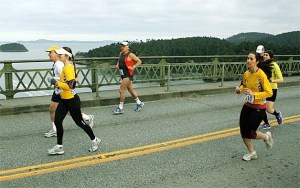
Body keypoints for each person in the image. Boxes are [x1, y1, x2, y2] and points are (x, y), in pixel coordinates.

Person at [47, 47, 101, 154]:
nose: (58, 55)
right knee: (58, 121)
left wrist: (55, 82)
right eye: (58, 54)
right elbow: (69, 81)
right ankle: (59, 146)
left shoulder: (68, 68)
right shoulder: (66, 67)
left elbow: (71, 85)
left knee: (80, 123)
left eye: (61, 54)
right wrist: (58, 84)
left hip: (72, 100)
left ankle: (95, 140)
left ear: (67, 56)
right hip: (64, 99)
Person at [235, 52, 274, 161]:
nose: (248, 60)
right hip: (247, 105)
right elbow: (243, 85)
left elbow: (269, 92)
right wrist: (239, 90)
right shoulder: (246, 73)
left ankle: (266, 137)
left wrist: (254, 94)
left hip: (259, 107)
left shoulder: (261, 75)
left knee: (250, 133)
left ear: (256, 61)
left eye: (251, 59)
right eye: (247, 58)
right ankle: (252, 153)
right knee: (243, 131)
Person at [113, 41, 144, 114]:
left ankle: (120, 108)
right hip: (122, 74)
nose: (122, 47)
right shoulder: (121, 54)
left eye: (124, 46)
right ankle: (139, 103)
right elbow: (119, 60)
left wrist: (133, 67)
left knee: (121, 90)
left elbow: (139, 61)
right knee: (131, 90)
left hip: (128, 75)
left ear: (127, 47)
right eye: (121, 46)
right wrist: (117, 65)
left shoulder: (130, 55)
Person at [259, 50, 283, 129]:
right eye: (264, 54)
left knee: (268, 109)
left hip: (272, 89)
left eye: (267, 55)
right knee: (260, 107)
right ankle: (266, 123)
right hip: (263, 89)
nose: (265, 56)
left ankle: (277, 114)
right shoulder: (263, 64)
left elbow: (281, 79)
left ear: (270, 57)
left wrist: (271, 80)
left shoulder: (274, 65)